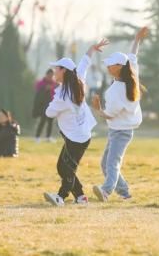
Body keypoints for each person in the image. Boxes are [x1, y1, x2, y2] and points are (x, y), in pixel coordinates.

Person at [43, 38, 109, 207]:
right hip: (82, 136)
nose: (54, 72)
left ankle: (60, 197)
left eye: (56, 69)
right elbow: (85, 62)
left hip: (75, 139)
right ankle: (80, 197)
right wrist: (91, 49)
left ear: (64, 71)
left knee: (65, 168)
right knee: (66, 167)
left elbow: (49, 113)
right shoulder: (78, 79)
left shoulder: (63, 95)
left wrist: (53, 99)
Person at [91, 27, 149, 202]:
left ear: (118, 67)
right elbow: (133, 55)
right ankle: (124, 192)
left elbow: (108, 115)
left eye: (111, 64)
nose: (108, 67)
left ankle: (106, 191)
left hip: (119, 131)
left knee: (112, 163)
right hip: (120, 129)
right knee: (105, 163)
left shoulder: (117, 91)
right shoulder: (132, 74)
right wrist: (136, 39)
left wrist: (97, 108)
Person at [33, 69, 58, 143]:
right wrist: (45, 88)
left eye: (52, 75)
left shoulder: (54, 83)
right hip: (43, 105)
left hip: (52, 105)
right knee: (42, 121)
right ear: (46, 74)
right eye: (49, 75)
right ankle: (37, 137)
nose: (50, 77)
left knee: (50, 121)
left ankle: (48, 137)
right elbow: (37, 89)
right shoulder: (41, 82)